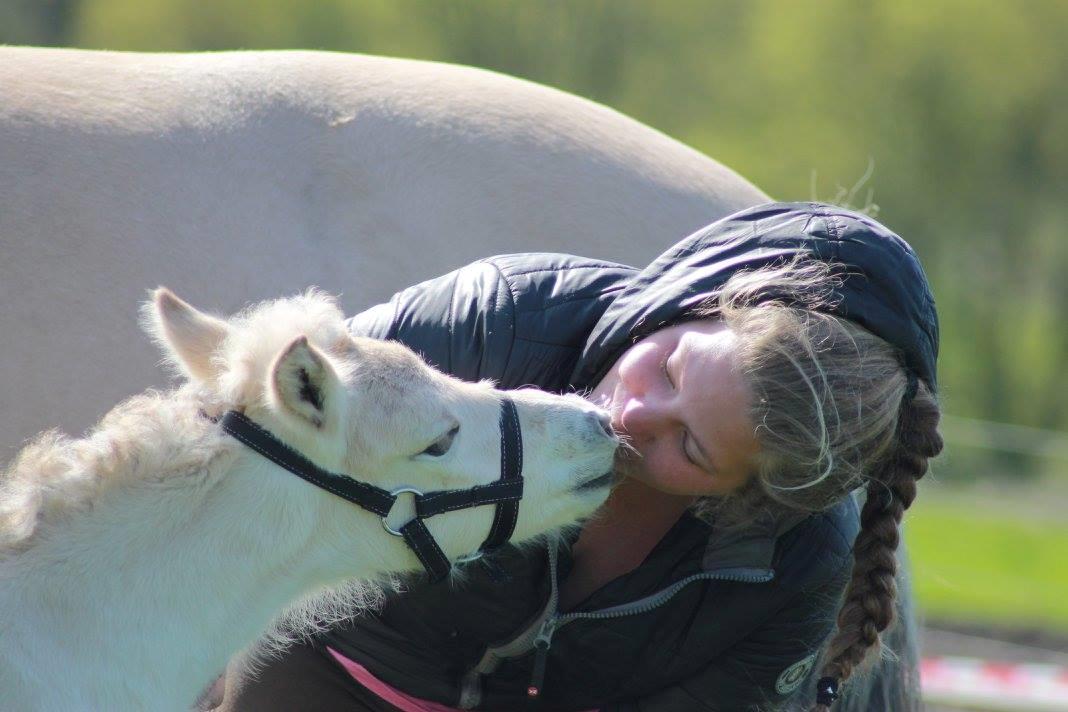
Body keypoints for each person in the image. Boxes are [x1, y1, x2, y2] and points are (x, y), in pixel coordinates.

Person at [218, 202, 943, 711]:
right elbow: (238, 478)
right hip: (323, 679)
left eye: (690, 446)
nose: (632, 414)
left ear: (740, 498)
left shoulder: (799, 563)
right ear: (692, 301)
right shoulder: (485, 324)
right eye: (670, 371)